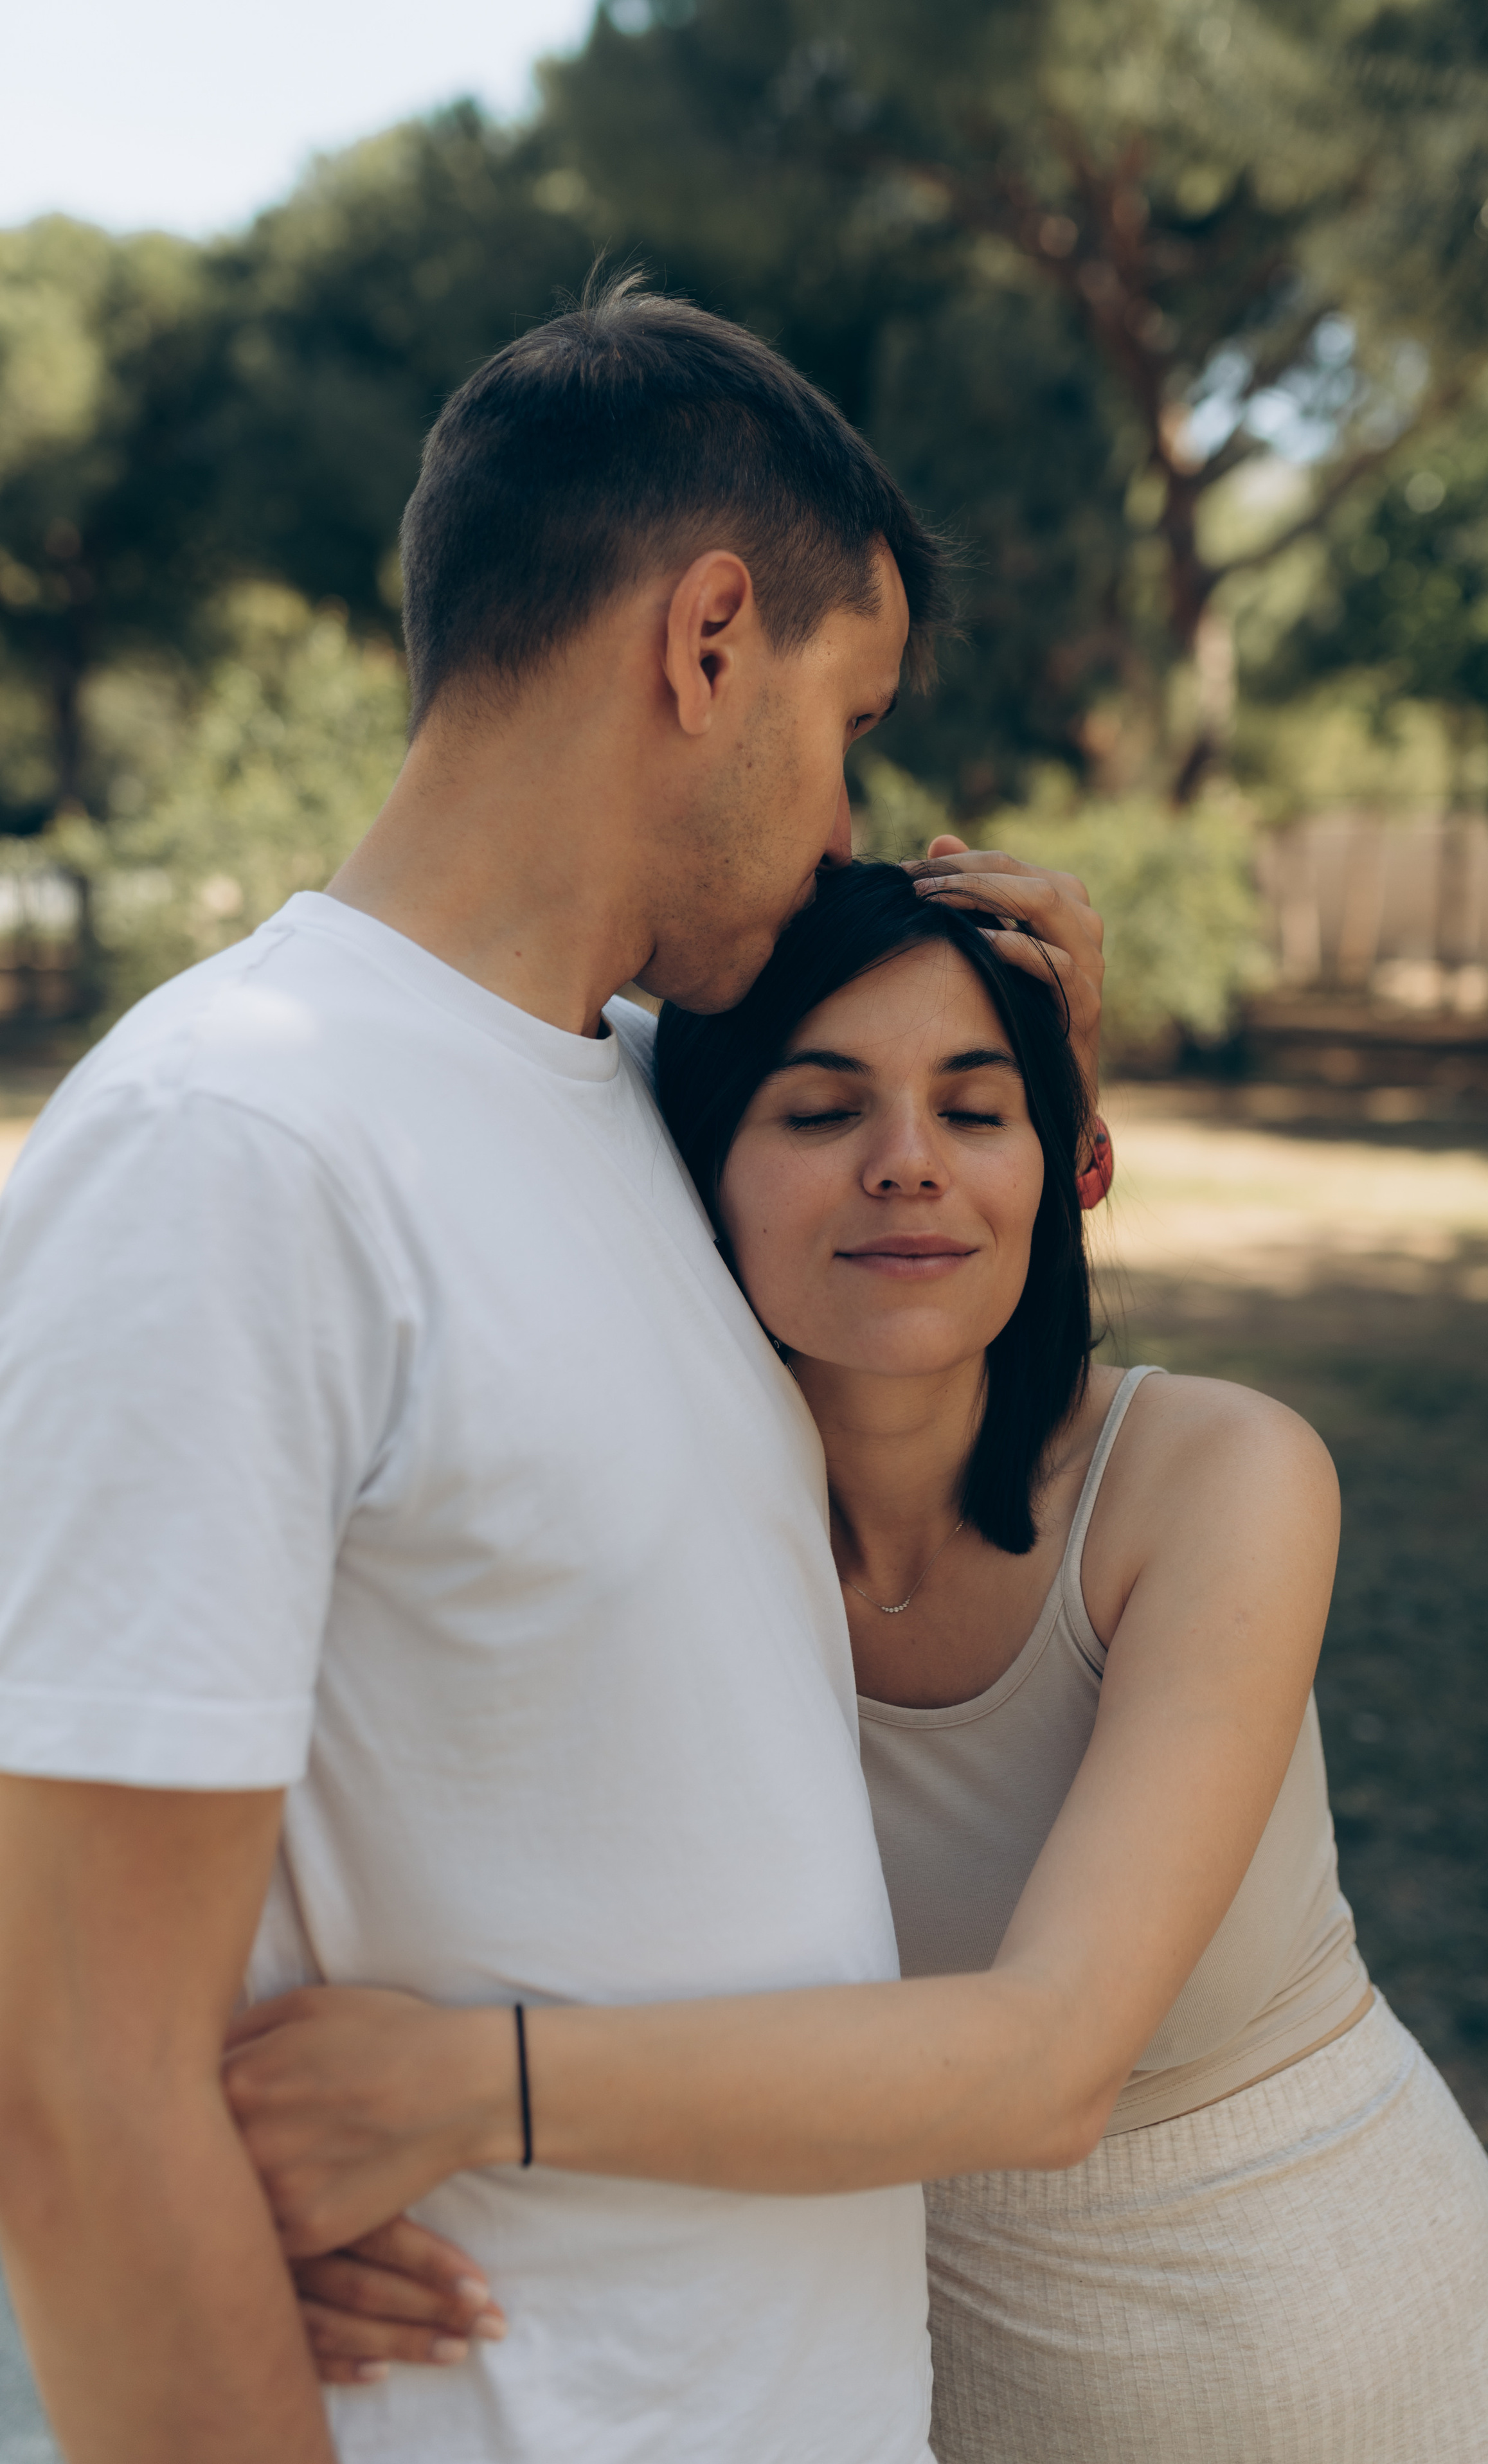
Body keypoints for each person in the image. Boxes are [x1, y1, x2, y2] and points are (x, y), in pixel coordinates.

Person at [0, 276, 1103, 2464]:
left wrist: (1058, 1098)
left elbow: (904, 1401)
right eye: (846, 722)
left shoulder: (621, 1103)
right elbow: (72, 2086)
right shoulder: (240, 1145)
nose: (842, 813)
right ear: (708, 644)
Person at [224, 862, 1488, 2464]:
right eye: (818, 1111)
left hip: (1307, 2348)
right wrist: (261, 2198)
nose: (907, 1166)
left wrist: (447, 2095)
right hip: (884, 2365)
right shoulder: (650, 1533)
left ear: (1072, 1166)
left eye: (974, 1111)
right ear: (691, 1174)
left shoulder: (1216, 1478)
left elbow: (1048, 2061)